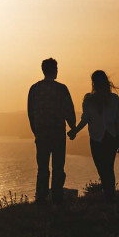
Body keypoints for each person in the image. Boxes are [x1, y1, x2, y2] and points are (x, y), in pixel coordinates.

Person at [27, 57, 76, 203]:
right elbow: (69, 109)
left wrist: (36, 131)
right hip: (58, 133)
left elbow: (31, 112)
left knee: (42, 168)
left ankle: (41, 198)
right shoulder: (61, 89)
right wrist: (73, 126)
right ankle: (57, 197)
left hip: (41, 133)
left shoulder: (34, 89)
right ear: (54, 70)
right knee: (58, 168)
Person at [68, 70, 119, 201]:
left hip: (96, 139)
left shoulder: (88, 100)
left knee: (102, 169)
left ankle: (108, 196)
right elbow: (117, 122)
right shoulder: (114, 99)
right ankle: (110, 196)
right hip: (111, 138)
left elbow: (85, 119)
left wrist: (75, 131)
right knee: (109, 168)